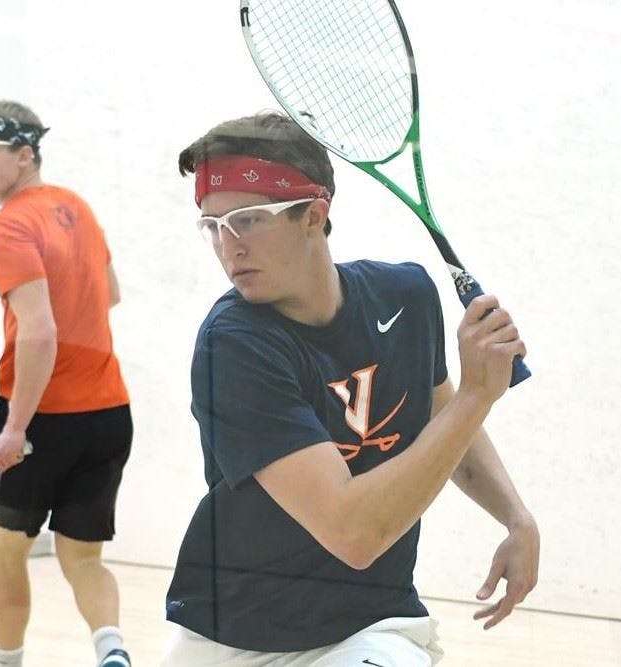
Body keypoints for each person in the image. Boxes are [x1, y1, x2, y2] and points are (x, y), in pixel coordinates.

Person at [163, 111, 540, 665]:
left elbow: (446, 431)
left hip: (370, 624)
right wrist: (476, 396)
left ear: (314, 215)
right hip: (229, 637)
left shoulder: (406, 296)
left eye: (248, 219)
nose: (229, 246)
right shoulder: (235, 345)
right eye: (213, 225)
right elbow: (354, 534)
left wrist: (516, 517)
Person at [0, 100, 133, 667]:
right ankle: (112, 649)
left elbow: (39, 332)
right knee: (83, 558)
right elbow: (110, 293)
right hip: (109, 414)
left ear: (24, 154)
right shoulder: (76, 207)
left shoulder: (7, 225)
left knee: (6, 552)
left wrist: (15, 429)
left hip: (41, 419)